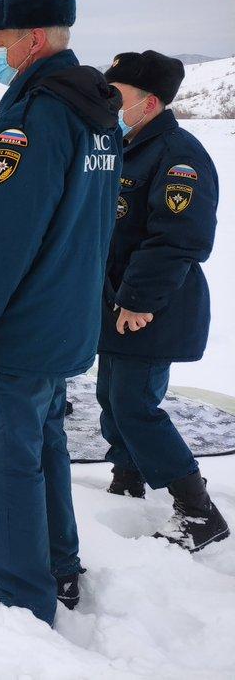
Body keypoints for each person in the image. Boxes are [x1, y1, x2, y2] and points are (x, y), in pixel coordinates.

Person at [0, 0, 122, 625]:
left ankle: (23, 593)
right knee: (44, 444)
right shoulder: (95, 112)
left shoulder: (38, 116)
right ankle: (59, 564)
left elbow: (4, 236)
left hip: (23, 321)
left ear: (34, 39)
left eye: (1, 44)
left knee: (7, 461)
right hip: (65, 313)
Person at [97, 50, 228, 551]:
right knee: (113, 396)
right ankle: (127, 476)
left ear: (149, 102)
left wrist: (137, 301)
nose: (110, 102)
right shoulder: (125, 145)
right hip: (119, 302)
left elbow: (178, 239)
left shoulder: (178, 155)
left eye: (118, 95)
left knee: (135, 404)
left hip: (151, 307)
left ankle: (198, 512)